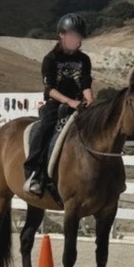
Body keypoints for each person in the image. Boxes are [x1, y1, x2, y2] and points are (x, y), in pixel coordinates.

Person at [23, 14, 93, 196]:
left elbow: (85, 83)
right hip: (56, 103)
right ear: (61, 35)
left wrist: (90, 100)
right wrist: (69, 101)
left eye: (79, 36)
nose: (76, 39)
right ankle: (35, 174)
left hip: (78, 104)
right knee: (46, 128)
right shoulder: (51, 59)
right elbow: (50, 89)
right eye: (72, 35)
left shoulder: (84, 60)